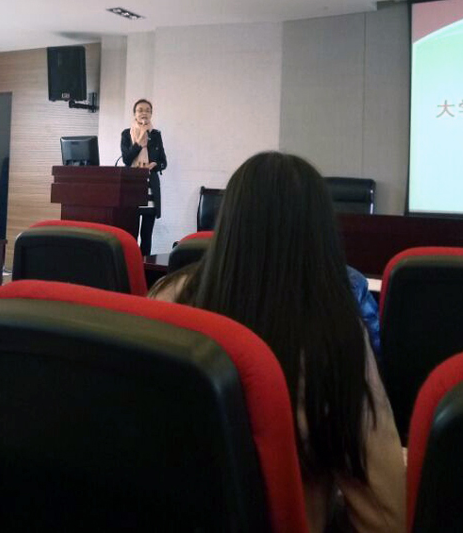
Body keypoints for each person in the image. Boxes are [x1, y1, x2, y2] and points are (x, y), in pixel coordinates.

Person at [150, 152, 405, 533]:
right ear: (321, 234)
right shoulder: (335, 338)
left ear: (227, 221)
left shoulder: (164, 299)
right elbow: (387, 516)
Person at [121, 99, 167, 256]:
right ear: (134, 114)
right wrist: (140, 143)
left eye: (147, 110)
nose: (144, 113)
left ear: (151, 114)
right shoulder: (126, 134)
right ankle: (130, 264)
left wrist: (156, 165)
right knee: (130, 235)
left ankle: (144, 266)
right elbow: (127, 160)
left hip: (150, 189)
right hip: (132, 189)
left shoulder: (156, 135)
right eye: (140, 110)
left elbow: (163, 162)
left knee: (146, 236)